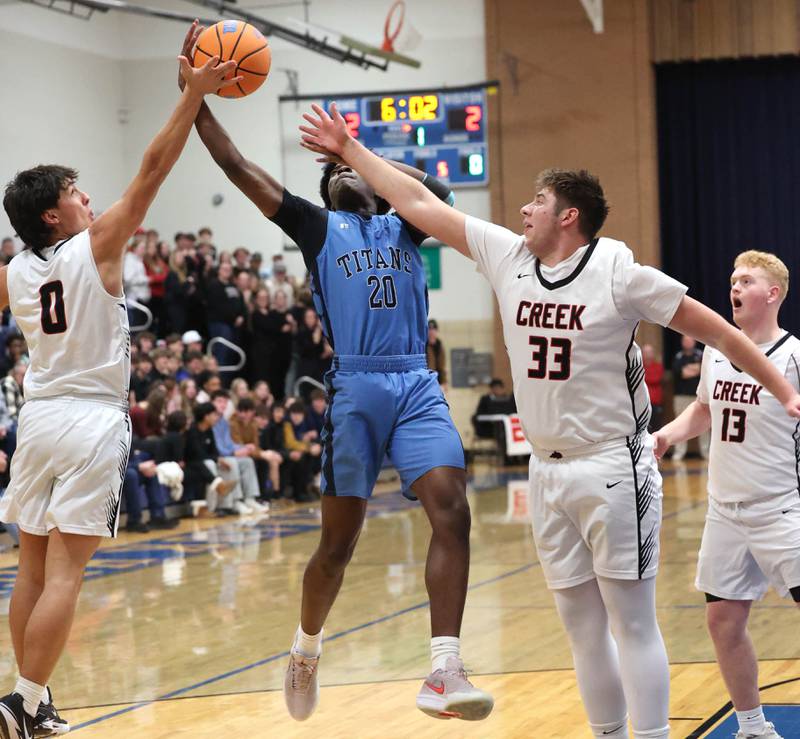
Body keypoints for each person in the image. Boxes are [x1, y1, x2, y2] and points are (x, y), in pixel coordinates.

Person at [299, 105, 800, 739]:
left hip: (614, 465)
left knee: (632, 622)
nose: (524, 210)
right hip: (548, 469)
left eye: (538, 201)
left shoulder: (621, 273)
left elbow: (722, 334)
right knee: (580, 627)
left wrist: (782, 387)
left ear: (569, 216)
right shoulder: (506, 255)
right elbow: (417, 203)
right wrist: (350, 150)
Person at [182, 24, 491, 724]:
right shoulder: (320, 229)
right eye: (335, 174)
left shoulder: (406, 224)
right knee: (337, 546)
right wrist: (198, 101)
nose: (346, 177)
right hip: (355, 388)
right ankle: (305, 646)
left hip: (415, 382)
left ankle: (444, 666)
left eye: (354, 174)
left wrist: (360, 151)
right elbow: (238, 167)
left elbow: (437, 185)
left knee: (454, 507)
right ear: (326, 189)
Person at [0, 39, 237, 739]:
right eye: (77, 193)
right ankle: (21, 698)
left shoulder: (13, 271)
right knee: (68, 572)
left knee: (32, 568)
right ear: (54, 214)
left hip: (37, 421)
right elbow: (154, 166)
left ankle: (32, 703)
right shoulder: (95, 245)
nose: (89, 199)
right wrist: (192, 94)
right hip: (89, 419)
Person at [653, 251, 799, 739]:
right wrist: (667, 436)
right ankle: (753, 726)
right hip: (724, 511)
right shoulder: (717, 351)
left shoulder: (794, 356)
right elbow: (703, 409)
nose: (734, 287)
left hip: (782, 508)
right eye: (732, 279)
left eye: (746, 280)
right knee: (723, 622)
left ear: (772, 293)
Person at [671, 335, 707, 460]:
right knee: (679, 425)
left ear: (694, 341)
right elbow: (682, 373)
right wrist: (694, 369)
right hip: (681, 396)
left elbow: (703, 369)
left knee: (704, 424)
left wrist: (690, 369)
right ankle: (679, 452)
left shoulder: (701, 355)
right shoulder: (678, 356)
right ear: (682, 342)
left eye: (690, 339)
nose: (688, 342)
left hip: (698, 396)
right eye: (685, 340)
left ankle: (705, 452)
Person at [642, 344, 664, 432]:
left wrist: (643, 376)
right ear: (642, 354)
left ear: (653, 353)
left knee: (656, 427)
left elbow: (655, 379)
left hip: (655, 402)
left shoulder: (658, 366)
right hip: (642, 402)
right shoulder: (639, 366)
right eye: (646, 352)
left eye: (650, 352)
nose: (648, 354)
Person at [426, 319, 447, 389]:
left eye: (433, 329)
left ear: (436, 331)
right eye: (429, 329)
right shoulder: (423, 346)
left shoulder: (439, 346)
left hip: (437, 382)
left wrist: (444, 382)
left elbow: (442, 366)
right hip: (426, 381)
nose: (431, 332)